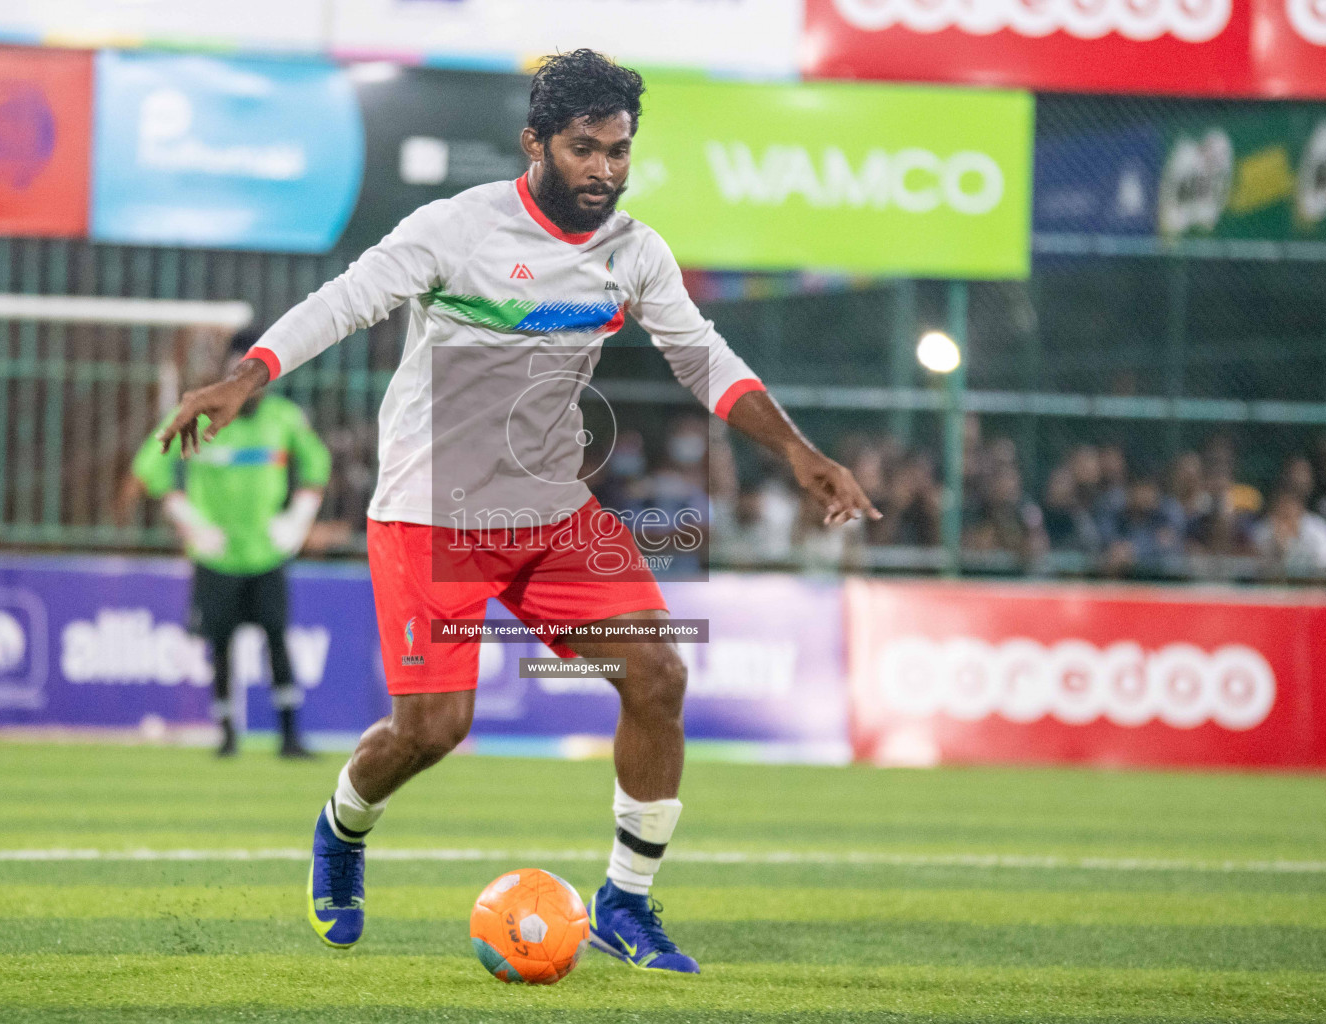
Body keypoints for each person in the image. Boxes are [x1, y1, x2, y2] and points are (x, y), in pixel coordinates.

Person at [157, 50, 877, 974]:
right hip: (431, 514)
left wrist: (799, 452)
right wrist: (245, 379)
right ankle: (342, 826)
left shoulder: (634, 251)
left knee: (657, 675)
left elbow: (703, 357)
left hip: (550, 512)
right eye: (586, 149)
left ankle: (625, 900)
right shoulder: (455, 229)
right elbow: (341, 305)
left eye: (620, 151)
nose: (606, 171)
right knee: (433, 733)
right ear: (535, 143)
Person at [133, 330, 331, 758]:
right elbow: (151, 465)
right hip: (215, 554)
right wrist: (188, 520)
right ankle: (226, 734)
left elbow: (318, 461)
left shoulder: (284, 419)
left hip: (266, 552)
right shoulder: (201, 416)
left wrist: (298, 518)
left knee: (277, 639)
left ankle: (290, 736)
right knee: (218, 644)